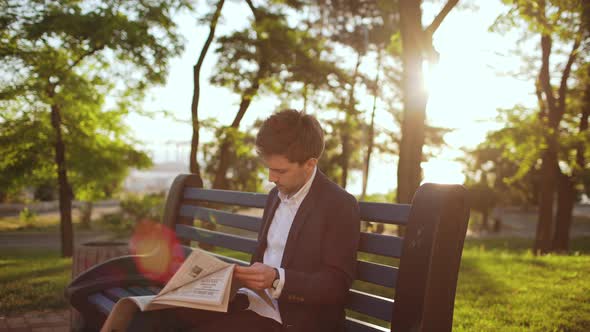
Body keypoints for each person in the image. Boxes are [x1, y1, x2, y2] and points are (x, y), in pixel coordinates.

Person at [132, 109, 360, 332]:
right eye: (269, 169)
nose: (271, 178)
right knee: (152, 318)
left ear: (310, 164)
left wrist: (277, 279)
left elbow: (336, 285)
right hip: (251, 302)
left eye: (280, 170)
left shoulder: (339, 205)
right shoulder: (275, 196)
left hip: (290, 319)